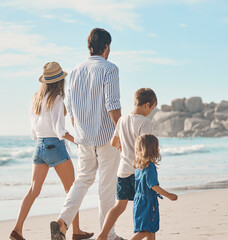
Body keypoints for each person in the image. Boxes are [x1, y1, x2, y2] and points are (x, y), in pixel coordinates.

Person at [50, 28, 122, 240]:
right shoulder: (110, 69)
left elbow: (71, 110)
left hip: (83, 138)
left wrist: (81, 133)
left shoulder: (74, 72)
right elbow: (112, 106)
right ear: (107, 47)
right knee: (107, 186)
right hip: (108, 137)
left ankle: (62, 222)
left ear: (89, 47)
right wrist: (122, 134)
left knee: (82, 180)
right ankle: (108, 235)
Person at [10, 62, 93, 240]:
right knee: (72, 190)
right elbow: (59, 129)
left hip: (39, 146)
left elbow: (33, 129)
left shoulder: (36, 98)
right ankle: (76, 231)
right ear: (59, 80)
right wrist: (78, 141)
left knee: (33, 190)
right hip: (55, 146)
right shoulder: (58, 98)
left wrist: (43, 141)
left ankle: (17, 229)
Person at [96, 88, 157, 240]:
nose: (150, 112)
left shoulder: (122, 119)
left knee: (119, 206)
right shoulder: (145, 122)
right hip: (139, 172)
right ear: (147, 105)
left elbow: (113, 142)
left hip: (123, 170)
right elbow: (146, 150)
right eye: (152, 108)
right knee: (149, 208)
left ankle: (103, 235)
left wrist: (123, 147)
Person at [131, 134, 178, 240]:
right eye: (157, 146)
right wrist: (169, 195)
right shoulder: (150, 166)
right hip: (148, 202)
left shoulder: (139, 165)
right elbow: (153, 185)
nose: (158, 148)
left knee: (151, 229)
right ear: (152, 149)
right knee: (146, 230)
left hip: (138, 201)